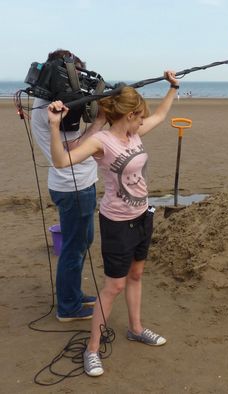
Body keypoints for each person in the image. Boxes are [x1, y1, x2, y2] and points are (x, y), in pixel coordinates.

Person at [47, 72, 180, 377]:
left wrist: (173, 87)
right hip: (116, 222)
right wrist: (55, 127)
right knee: (114, 286)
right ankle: (92, 348)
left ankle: (135, 328)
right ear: (129, 115)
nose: (142, 122)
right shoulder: (101, 141)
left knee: (136, 274)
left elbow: (160, 114)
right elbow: (61, 161)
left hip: (142, 215)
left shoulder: (134, 133)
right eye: (139, 117)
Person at [31, 49, 106, 322]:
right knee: (74, 247)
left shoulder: (52, 101)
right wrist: (99, 122)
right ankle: (68, 307)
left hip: (78, 185)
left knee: (82, 241)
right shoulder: (48, 109)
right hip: (72, 187)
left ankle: (72, 293)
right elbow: (73, 147)